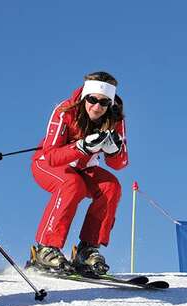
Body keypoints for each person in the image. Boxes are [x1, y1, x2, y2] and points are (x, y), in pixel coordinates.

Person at [30, 71, 128, 275]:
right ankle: (46, 248)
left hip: (83, 167)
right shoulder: (65, 110)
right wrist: (81, 146)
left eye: (104, 103)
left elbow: (119, 164)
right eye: (92, 100)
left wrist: (114, 151)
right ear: (85, 96)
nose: (97, 107)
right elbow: (51, 156)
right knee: (71, 185)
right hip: (47, 164)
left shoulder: (115, 116)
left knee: (111, 187)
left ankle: (87, 250)